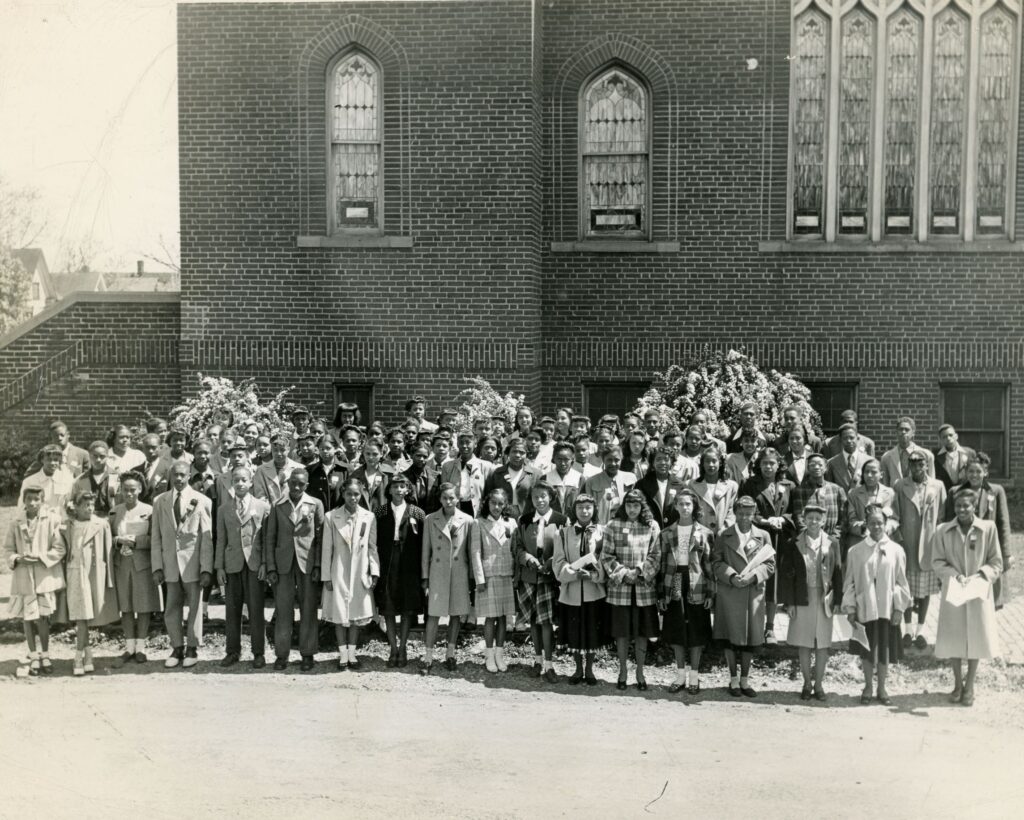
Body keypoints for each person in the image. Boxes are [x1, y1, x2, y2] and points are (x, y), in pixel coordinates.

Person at [932, 489, 1003, 706]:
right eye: (958, 506)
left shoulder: (988, 529)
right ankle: (957, 683)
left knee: (976, 637)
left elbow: (996, 562)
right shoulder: (943, 530)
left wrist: (981, 575)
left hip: (978, 591)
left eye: (967, 506)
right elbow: (937, 561)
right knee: (954, 637)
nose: (962, 510)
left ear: (975, 507)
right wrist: (955, 576)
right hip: (954, 590)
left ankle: (970, 685)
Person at [842, 505, 911, 706]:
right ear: (866, 524)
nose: (876, 526)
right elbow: (850, 582)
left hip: (886, 610)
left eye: (880, 522)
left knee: (884, 650)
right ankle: (868, 686)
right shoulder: (856, 551)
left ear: (886, 523)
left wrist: (899, 608)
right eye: (872, 523)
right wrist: (851, 608)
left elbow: (901, 582)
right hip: (865, 609)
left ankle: (882, 687)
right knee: (866, 649)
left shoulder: (896, 550)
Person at [151, 461, 214, 669]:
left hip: (192, 563)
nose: (178, 479)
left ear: (189, 476)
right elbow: (156, 537)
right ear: (171, 476)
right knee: (172, 607)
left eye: (182, 475)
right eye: (175, 475)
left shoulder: (202, 501)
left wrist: (206, 568)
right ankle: (177, 647)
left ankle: (192, 647)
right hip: (170, 563)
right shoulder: (160, 501)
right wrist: (157, 566)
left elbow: (206, 538)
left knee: (195, 607)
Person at [777, 504, 843, 702]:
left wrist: (838, 601)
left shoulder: (832, 543)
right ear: (804, 520)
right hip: (802, 598)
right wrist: (789, 603)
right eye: (810, 518)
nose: (814, 521)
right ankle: (806, 683)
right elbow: (786, 575)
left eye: (818, 518)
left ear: (823, 521)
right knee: (804, 643)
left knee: (822, 644)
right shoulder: (793, 542)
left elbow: (838, 572)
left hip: (824, 599)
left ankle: (819, 684)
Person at [712, 496, 774, 697]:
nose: (745, 517)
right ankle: (733, 679)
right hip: (730, 593)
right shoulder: (723, 535)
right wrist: (731, 576)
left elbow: (769, 565)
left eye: (749, 513)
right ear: (735, 514)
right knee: (729, 637)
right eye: (741, 513)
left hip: (752, 594)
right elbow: (716, 562)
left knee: (751, 638)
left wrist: (753, 577)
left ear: (754, 514)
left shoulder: (763, 535)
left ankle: (745, 679)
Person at [265, 469, 325, 672]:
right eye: (293, 483)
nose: (296, 487)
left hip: (307, 563)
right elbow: (270, 538)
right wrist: (271, 566)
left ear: (307, 485)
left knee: (308, 609)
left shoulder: (315, 504)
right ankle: (282, 654)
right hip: (283, 564)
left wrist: (317, 565)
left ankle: (307, 654)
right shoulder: (278, 505)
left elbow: (319, 539)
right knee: (283, 611)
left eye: (301, 484)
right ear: (288, 483)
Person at [602, 489, 661, 690]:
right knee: (622, 633)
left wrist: (639, 572)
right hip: (621, 589)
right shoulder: (613, 525)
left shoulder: (652, 526)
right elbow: (606, 555)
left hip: (644, 588)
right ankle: (622, 671)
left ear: (642, 506)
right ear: (623, 506)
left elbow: (656, 555)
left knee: (641, 633)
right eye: (629, 505)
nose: (632, 509)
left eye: (636, 505)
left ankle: (640, 672)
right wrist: (623, 573)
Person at [658, 489, 715, 695]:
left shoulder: (705, 533)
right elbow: (663, 565)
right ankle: (680, 674)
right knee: (677, 630)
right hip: (674, 580)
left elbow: (709, 566)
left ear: (694, 507)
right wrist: (662, 594)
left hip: (696, 581)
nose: (684, 508)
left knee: (697, 631)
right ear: (675, 506)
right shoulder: (666, 533)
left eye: (688, 504)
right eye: (680, 504)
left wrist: (710, 593)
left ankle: (694, 676)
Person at [3, 486, 64, 677]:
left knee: (43, 617)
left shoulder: (52, 520)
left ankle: (45, 653)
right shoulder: (16, 522)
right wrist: (18, 559)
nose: (32, 503)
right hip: (23, 577)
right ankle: (33, 654)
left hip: (43, 576)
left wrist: (40, 558)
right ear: (24, 500)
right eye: (29, 499)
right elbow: (8, 549)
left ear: (42, 500)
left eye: (36, 499)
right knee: (28, 618)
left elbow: (59, 548)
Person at [214, 465, 271, 669]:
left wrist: (265, 563)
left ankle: (258, 652)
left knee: (256, 609)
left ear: (250, 482)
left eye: (243, 480)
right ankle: (232, 651)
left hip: (254, 564)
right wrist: (219, 567)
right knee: (232, 609)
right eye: (236, 480)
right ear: (231, 483)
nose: (239, 483)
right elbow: (220, 540)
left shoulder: (262, 507)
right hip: (232, 564)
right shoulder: (223, 509)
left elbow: (266, 539)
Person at [322, 477, 379, 671]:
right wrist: (326, 576)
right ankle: (342, 655)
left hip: (360, 571)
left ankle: (353, 654)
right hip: (338, 570)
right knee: (339, 613)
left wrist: (374, 571)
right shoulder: (331, 517)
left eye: (356, 494)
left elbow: (372, 547)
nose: (353, 498)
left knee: (355, 615)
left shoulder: (368, 517)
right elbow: (326, 549)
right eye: (349, 494)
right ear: (343, 494)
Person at [891, 450, 946, 650]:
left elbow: (941, 517)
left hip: (928, 546)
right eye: (913, 463)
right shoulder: (899, 485)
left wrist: (939, 542)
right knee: (906, 589)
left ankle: (921, 630)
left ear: (926, 464)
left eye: (920, 463)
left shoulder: (937, 486)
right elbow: (894, 515)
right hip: (907, 544)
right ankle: (907, 629)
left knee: (924, 592)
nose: (916, 467)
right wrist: (899, 540)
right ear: (908, 465)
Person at [512, 483, 567, 682]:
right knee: (533, 621)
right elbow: (517, 547)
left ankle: (549, 665)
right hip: (529, 577)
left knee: (546, 622)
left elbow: (565, 548)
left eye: (543, 496)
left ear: (550, 497)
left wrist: (552, 562)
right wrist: (528, 558)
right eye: (535, 497)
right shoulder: (525, 520)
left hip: (549, 579)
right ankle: (537, 660)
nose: (540, 500)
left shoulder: (561, 520)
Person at [944, 454, 1013, 609]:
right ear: (965, 473)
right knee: (963, 596)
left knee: (987, 596)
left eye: (978, 471)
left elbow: (1003, 523)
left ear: (985, 473)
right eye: (971, 471)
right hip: (962, 549)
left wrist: (1006, 553)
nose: (974, 475)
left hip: (987, 547)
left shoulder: (995, 491)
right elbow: (948, 522)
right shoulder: (955, 492)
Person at [740, 448, 793, 645]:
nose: (768, 467)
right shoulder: (749, 484)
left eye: (772, 463)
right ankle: (753, 627)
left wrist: (782, 519)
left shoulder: (788, 485)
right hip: (756, 539)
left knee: (774, 584)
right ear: (758, 465)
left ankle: (770, 628)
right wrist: (764, 520)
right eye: (764, 463)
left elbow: (795, 511)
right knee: (756, 580)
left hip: (779, 540)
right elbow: (745, 510)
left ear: (778, 465)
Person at [62, 490, 118, 676]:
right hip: (75, 573)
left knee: (84, 616)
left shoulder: (101, 525)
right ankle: (85, 653)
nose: (89, 508)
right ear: (75, 507)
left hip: (93, 574)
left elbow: (108, 553)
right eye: (85, 505)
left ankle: (81, 654)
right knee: (80, 615)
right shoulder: (68, 525)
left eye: (92, 505)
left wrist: (108, 579)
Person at [420, 483, 474, 674]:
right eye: (445, 498)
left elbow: (470, 551)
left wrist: (471, 577)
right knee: (434, 614)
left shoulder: (467, 520)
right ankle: (428, 655)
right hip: (438, 571)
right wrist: (425, 577)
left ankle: (450, 654)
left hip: (458, 571)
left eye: (452, 497)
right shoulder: (430, 519)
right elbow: (426, 551)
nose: (448, 501)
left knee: (456, 613)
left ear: (458, 498)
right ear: (440, 499)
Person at [552, 493, 605, 685]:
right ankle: (577, 669)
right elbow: (558, 562)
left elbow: (606, 561)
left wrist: (593, 574)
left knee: (591, 631)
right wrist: (574, 573)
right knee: (574, 631)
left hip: (593, 590)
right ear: (574, 510)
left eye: (588, 507)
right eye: (580, 507)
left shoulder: (602, 532)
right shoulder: (563, 533)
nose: (584, 511)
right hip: (572, 591)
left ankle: (590, 670)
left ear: (594, 510)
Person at [109, 470, 161, 665]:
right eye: (125, 490)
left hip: (142, 565)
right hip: (122, 564)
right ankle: (129, 647)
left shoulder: (149, 510)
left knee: (143, 606)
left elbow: (155, 538)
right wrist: (118, 540)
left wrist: (137, 541)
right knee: (126, 606)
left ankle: (141, 647)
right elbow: (108, 537)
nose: (129, 493)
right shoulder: (115, 511)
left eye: (133, 490)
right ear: (120, 490)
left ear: (140, 490)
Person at [375, 473, 425, 668]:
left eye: (402, 486)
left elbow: (422, 544)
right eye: (394, 486)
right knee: (388, 606)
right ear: (389, 490)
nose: (398, 490)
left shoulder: (417, 512)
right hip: (387, 562)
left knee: (406, 607)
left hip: (409, 565)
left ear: (408, 490)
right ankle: (393, 648)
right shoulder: (380, 511)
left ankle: (403, 647)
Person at [470, 488, 518, 674]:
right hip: (488, 576)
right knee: (490, 617)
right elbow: (475, 552)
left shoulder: (511, 522)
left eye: (500, 503)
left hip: (506, 574)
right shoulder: (478, 523)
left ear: (505, 505)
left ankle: (499, 654)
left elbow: (515, 547)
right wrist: (479, 579)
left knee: (503, 617)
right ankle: (489, 655)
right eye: (493, 503)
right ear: (486, 504)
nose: (497, 507)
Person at [845, 458, 897, 558]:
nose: (869, 475)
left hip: (884, 542)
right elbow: (851, 521)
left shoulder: (890, 493)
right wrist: (865, 527)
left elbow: (895, 519)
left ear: (881, 474)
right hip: (861, 542)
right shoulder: (853, 494)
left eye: (873, 472)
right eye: (866, 472)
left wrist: (882, 529)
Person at [788, 452, 846, 541]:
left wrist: (834, 537)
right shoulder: (799, 490)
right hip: (808, 541)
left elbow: (844, 518)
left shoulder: (837, 489)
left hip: (833, 540)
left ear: (825, 468)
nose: (816, 467)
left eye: (820, 465)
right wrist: (810, 538)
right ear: (807, 468)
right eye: (812, 465)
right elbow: (799, 518)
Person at [484, 439, 544, 520]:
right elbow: (487, 497)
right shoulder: (496, 473)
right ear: (508, 453)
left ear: (527, 454)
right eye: (514, 451)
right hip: (501, 519)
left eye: (522, 452)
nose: (518, 455)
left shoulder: (536, 474)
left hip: (527, 520)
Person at [686, 445, 738, 534]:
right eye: (707, 461)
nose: (711, 465)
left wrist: (724, 530)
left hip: (722, 535)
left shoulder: (731, 486)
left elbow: (732, 512)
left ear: (720, 463)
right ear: (702, 463)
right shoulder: (691, 485)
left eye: (714, 461)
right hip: (699, 535)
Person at [441, 432, 495, 516]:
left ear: (475, 444)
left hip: (477, 511)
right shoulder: (447, 466)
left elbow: (489, 494)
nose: (464, 446)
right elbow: (444, 492)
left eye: (468, 442)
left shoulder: (486, 466)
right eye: (461, 443)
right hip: (455, 509)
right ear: (457, 444)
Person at [582, 445, 637, 526]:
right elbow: (588, 508)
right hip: (601, 527)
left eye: (617, 460)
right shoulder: (592, 481)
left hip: (626, 526)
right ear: (603, 460)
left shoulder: (631, 478)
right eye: (609, 460)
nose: (613, 463)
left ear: (621, 459)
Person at [635, 447, 687, 531]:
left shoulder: (680, 486)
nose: (662, 463)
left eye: (666, 459)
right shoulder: (642, 484)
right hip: (649, 531)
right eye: (658, 459)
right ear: (652, 463)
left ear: (672, 462)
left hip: (674, 532)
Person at [19, 443, 74, 516]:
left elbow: (71, 502)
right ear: (42, 460)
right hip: (39, 521)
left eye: (56, 460)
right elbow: (22, 507)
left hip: (61, 520)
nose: (52, 463)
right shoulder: (30, 481)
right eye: (49, 459)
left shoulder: (67, 479)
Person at [879, 417, 935, 487]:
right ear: (896, 432)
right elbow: (884, 484)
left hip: (918, 495)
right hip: (895, 496)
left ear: (913, 433)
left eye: (907, 430)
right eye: (901, 429)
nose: (903, 432)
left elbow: (932, 483)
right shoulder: (886, 457)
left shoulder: (926, 455)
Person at [72, 441, 119, 517]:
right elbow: (74, 502)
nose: (98, 460)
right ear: (90, 456)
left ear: (107, 456)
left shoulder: (116, 477)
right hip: (88, 520)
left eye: (102, 456)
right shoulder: (80, 480)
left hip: (111, 519)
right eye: (95, 456)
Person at [252, 433, 302, 504]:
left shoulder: (299, 468)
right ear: (271, 449)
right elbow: (260, 496)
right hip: (269, 512)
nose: (278, 453)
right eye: (275, 450)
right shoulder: (261, 470)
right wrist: (273, 512)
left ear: (288, 449)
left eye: (282, 450)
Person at [824, 423, 871, 494]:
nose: (849, 441)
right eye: (845, 438)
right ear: (840, 440)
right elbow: (829, 489)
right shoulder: (831, 463)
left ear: (857, 438)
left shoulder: (868, 461)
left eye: (852, 438)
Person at [305, 434, 347, 513]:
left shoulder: (345, 469)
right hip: (317, 515)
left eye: (328, 448)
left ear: (335, 449)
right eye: (322, 449)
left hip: (340, 515)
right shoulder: (310, 470)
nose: (325, 451)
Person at [350, 440, 395, 511]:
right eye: (368, 454)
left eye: (375, 454)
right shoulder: (355, 475)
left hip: (383, 517)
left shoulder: (389, 473)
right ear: (363, 454)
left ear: (381, 454)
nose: (371, 457)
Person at [545, 441, 584, 519]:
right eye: (559, 459)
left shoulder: (580, 478)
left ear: (572, 460)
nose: (563, 463)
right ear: (553, 459)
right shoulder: (546, 478)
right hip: (552, 522)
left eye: (566, 459)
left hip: (573, 521)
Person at [932, 424, 976, 490]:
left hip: (965, 492)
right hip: (945, 493)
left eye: (950, 435)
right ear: (940, 440)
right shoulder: (935, 455)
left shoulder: (969, 453)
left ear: (956, 436)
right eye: (944, 437)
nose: (948, 438)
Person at [404, 441, 440, 514]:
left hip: (430, 518)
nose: (421, 459)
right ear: (411, 455)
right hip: (409, 518)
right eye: (418, 455)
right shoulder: (403, 477)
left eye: (425, 457)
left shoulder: (436, 476)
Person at [138, 433, 172, 504]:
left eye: (153, 447)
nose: (150, 451)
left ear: (160, 448)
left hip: (160, 510)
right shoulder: (136, 470)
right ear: (143, 448)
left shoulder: (169, 468)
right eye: (147, 447)